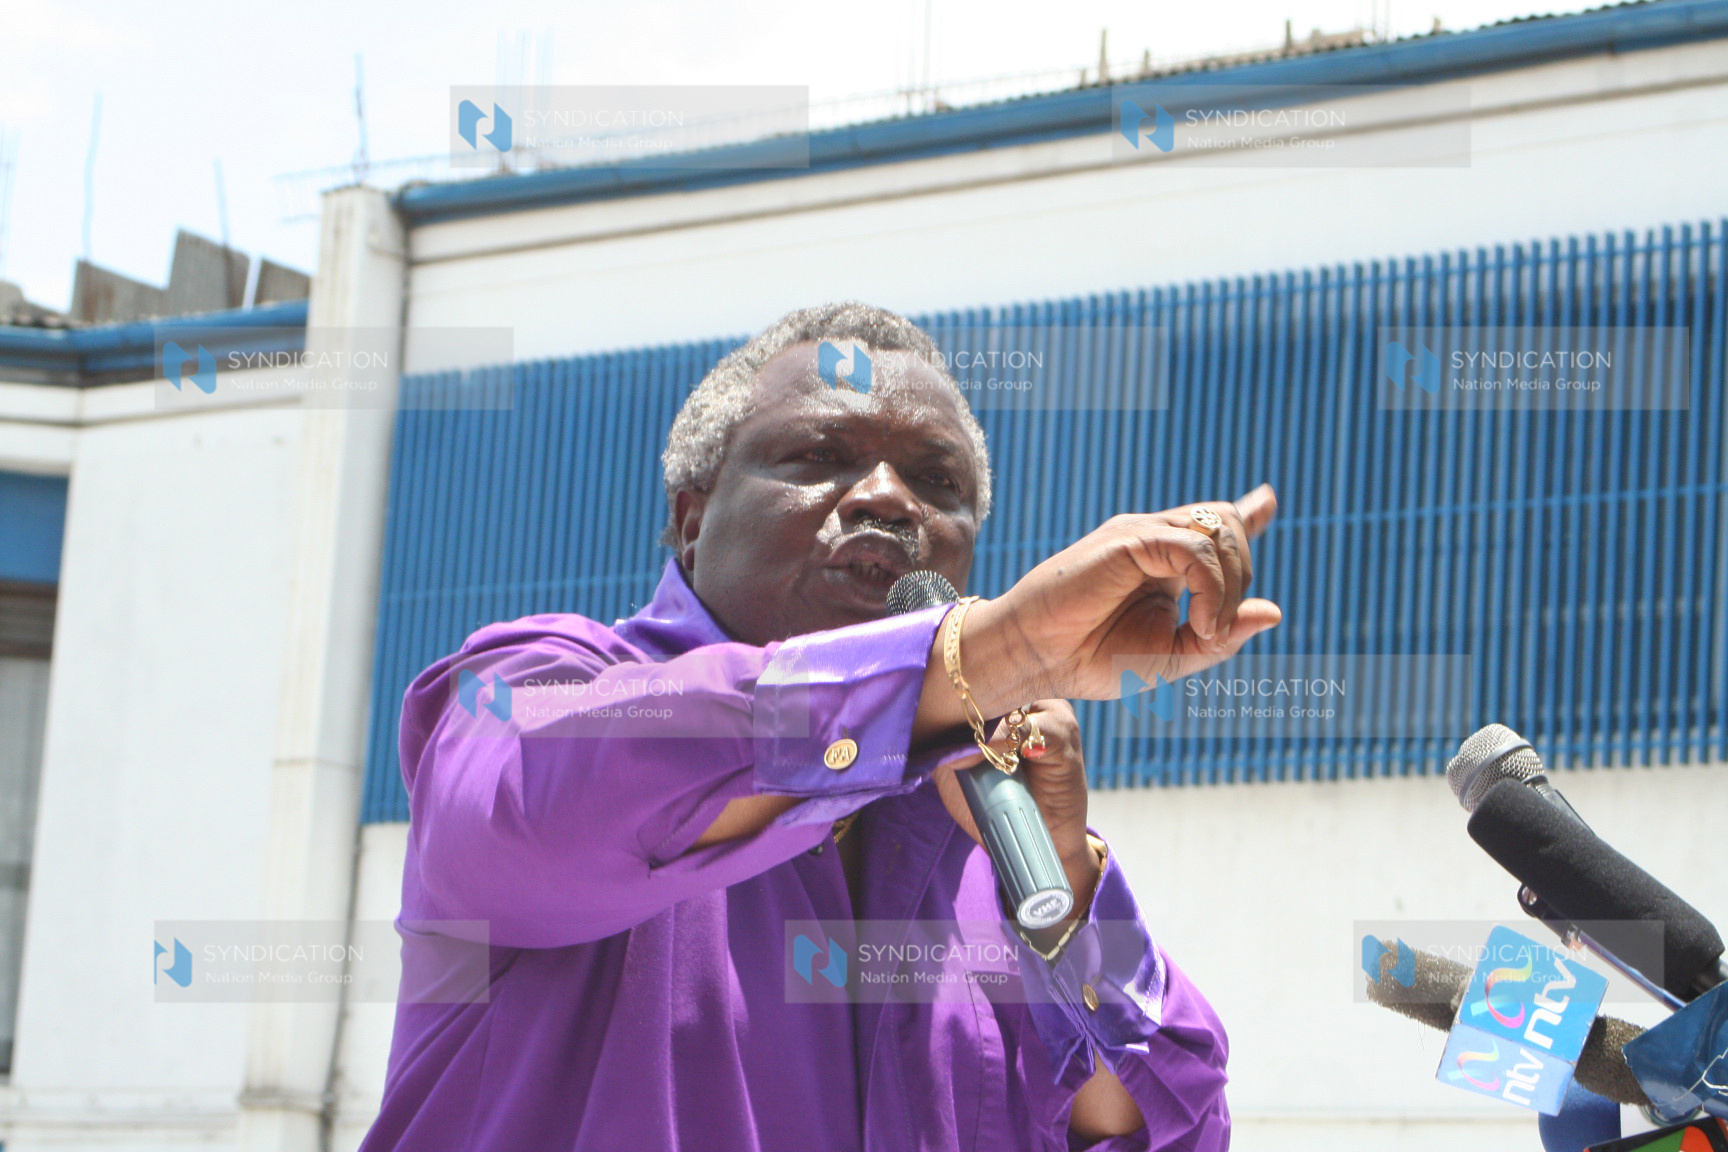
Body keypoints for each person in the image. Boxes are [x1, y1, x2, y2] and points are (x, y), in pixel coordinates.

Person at [358, 302, 1281, 1151]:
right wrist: (990, 652)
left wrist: (1069, 882)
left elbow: (1161, 1122)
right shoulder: (540, 683)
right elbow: (540, 806)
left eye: (936, 480)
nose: (888, 497)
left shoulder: (980, 827)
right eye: (816, 457)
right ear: (691, 517)